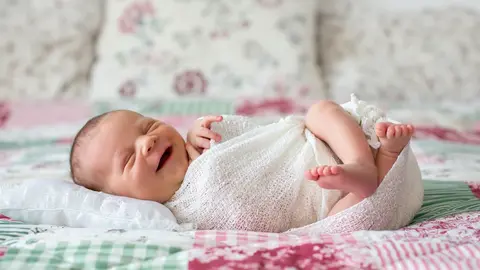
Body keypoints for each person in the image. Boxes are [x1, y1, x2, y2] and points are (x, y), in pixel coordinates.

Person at [69, 97, 414, 231]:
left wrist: (198, 136)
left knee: (320, 110)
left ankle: (362, 162)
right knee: (340, 225)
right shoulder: (174, 217)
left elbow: (254, 134)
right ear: (122, 199)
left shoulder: (200, 143)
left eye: (147, 126)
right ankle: (385, 160)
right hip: (334, 201)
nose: (148, 142)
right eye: (129, 159)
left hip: (327, 146)